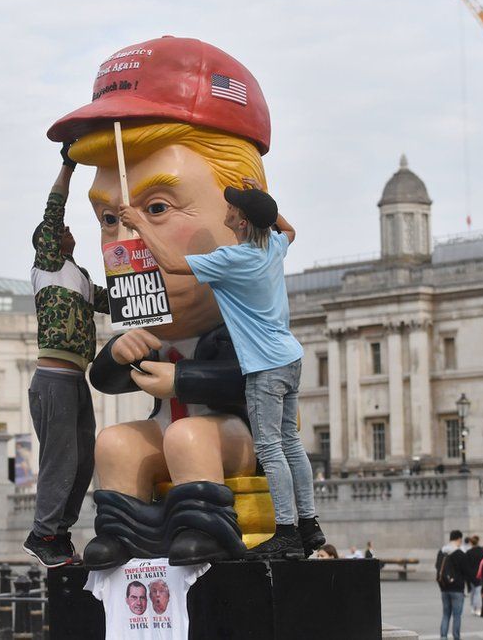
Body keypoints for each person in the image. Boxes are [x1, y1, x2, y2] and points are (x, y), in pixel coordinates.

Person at [52, 36, 314, 570]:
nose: (122, 242)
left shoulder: (237, 311)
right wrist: (120, 352)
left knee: (193, 434)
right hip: (168, 429)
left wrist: (182, 383)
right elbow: (106, 380)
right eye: (109, 219)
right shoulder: (157, 320)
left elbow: (242, 381)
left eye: (156, 206)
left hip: (230, 436)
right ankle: (123, 532)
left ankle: (205, 527)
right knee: (118, 442)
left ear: (235, 208)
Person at [120, 178, 323, 562]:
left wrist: (139, 223)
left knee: (270, 448)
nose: (226, 210)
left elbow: (172, 264)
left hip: (264, 365)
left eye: (233, 207)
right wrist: (263, 202)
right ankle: (310, 525)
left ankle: (286, 533)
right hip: (290, 357)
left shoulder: (236, 259)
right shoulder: (273, 246)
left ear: (242, 223)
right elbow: (289, 230)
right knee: (292, 445)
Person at [21, 145, 110, 568]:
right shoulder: (49, 265)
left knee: (83, 460)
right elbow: (54, 208)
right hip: (54, 379)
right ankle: (41, 534)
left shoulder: (81, 278)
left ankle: (59, 533)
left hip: (76, 380)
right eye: (60, 230)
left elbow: (119, 303)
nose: (68, 230)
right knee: (61, 460)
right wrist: (68, 165)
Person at [436, 530, 473, 640]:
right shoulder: (460, 553)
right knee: (457, 615)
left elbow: (437, 567)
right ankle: (456, 637)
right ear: (459, 539)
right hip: (457, 588)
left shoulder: (441, 552)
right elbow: (467, 571)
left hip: (444, 587)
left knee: (446, 614)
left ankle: (443, 636)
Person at [465, 535, 483, 616]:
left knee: (473, 592)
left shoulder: (468, 552)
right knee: (478, 592)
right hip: (480, 574)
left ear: (471, 543)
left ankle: (473, 608)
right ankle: (478, 608)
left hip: (471, 575)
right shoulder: (482, 551)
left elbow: (466, 565)